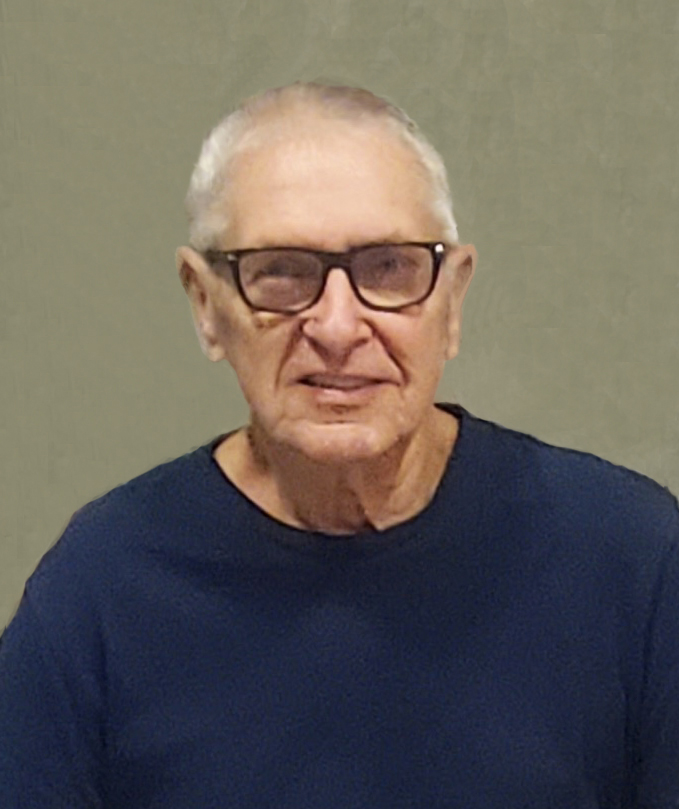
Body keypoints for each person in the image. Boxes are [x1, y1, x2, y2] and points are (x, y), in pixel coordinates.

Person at [1, 81, 678, 808]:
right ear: (205, 305)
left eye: (388, 268)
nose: (336, 326)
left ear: (451, 301)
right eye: (280, 272)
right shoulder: (103, 589)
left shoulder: (631, 560)